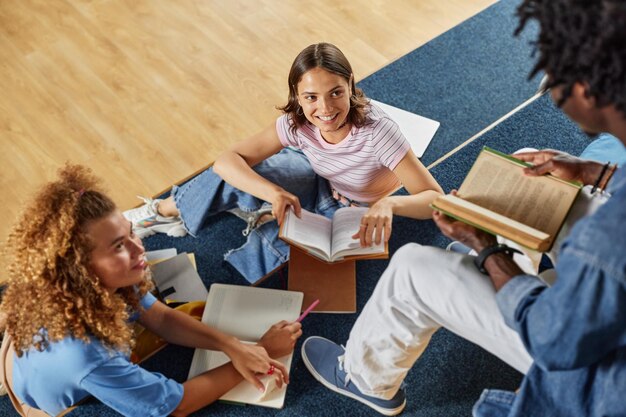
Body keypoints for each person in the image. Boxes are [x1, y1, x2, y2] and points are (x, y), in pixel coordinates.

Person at [300, 1, 626, 416]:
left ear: (585, 91)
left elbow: (553, 339)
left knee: (412, 269)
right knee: (528, 168)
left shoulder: (604, 246)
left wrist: (487, 249)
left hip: (599, 376)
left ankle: (364, 377)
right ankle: (509, 268)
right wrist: (591, 171)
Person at [123, 42, 443, 283]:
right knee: (230, 175)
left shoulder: (378, 132)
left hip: (352, 209)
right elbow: (227, 161)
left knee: (276, 253)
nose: (325, 109)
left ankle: (236, 264)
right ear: (297, 96)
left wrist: (391, 206)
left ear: (350, 85)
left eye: (335, 93)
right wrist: (273, 193)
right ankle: (161, 213)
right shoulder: (296, 121)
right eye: (311, 97)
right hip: (316, 177)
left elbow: (435, 201)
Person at [0, 164, 302, 417]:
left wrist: (233, 346)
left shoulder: (95, 282)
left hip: (47, 356)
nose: (139, 248)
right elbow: (176, 405)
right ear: (79, 269)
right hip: (62, 400)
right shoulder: (88, 357)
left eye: (130, 232)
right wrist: (262, 352)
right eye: (119, 246)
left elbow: (161, 319)